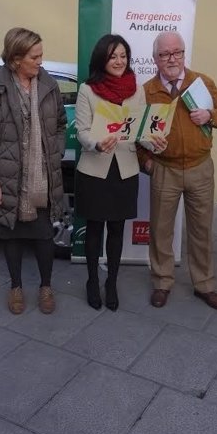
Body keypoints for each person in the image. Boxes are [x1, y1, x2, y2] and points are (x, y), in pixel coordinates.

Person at [0, 27, 66, 315]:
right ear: (15, 59)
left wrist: (55, 152)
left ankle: (46, 286)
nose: (40, 61)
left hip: (42, 178)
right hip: (9, 177)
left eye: (41, 55)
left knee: (44, 235)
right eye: (34, 57)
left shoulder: (48, 84)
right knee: (10, 236)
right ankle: (15, 286)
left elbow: (60, 124)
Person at [138, 31, 217, 310]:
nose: (172, 59)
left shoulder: (201, 83)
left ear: (183, 53)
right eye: (165, 54)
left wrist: (210, 115)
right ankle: (162, 281)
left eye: (177, 52)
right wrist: (147, 162)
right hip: (164, 169)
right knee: (161, 230)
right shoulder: (147, 91)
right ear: (155, 59)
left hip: (199, 168)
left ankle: (204, 285)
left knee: (201, 230)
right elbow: (137, 132)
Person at [74, 34, 167, 311]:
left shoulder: (136, 91)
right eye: (113, 56)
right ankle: (92, 280)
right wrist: (96, 143)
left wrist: (156, 143)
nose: (119, 61)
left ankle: (111, 282)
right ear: (103, 58)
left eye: (123, 56)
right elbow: (82, 130)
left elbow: (141, 132)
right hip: (94, 169)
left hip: (125, 170)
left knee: (116, 229)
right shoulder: (87, 90)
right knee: (94, 229)